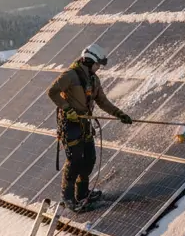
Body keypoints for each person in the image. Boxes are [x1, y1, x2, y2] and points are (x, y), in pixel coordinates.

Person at [46, 43, 132, 211]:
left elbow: (102, 101)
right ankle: (69, 198)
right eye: (98, 64)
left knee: (90, 158)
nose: (99, 67)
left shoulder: (94, 80)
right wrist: (67, 109)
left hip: (85, 124)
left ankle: (83, 193)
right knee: (75, 161)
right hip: (70, 125)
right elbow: (52, 91)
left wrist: (119, 114)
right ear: (89, 60)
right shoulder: (70, 76)